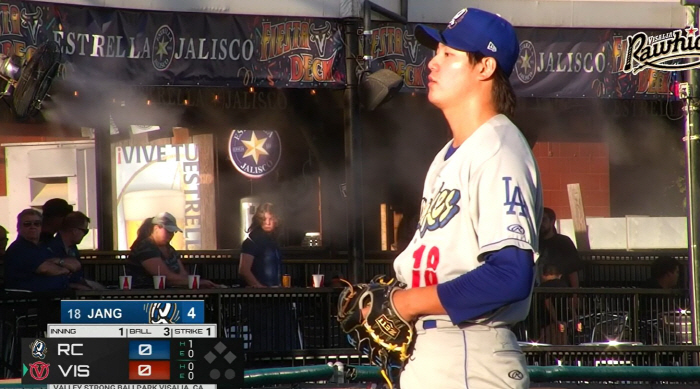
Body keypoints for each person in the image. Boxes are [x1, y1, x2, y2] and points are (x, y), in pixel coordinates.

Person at [375, 8, 543, 389]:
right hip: (439, 351)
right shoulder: (447, 155)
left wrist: (406, 303)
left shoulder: (499, 148)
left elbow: (510, 276)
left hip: (469, 350)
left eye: (449, 54)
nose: (433, 62)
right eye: (437, 51)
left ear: (484, 67)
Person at [126, 212, 218, 289]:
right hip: (145, 295)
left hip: (172, 293)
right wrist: (198, 282)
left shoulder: (170, 249)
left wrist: (199, 283)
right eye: (168, 231)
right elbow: (166, 278)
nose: (171, 235)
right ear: (156, 228)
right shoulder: (145, 247)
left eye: (173, 232)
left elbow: (183, 274)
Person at [4, 209, 82, 292]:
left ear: (41, 227)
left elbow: (75, 264)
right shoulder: (18, 249)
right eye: (27, 224)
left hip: (55, 296)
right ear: (18, 228)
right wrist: (65, 269)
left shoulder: (44, 247)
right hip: (28, 300)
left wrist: (58, 261)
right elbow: (45, 269)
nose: (32, 226)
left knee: (93, 301)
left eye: (37, 223)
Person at [45, 211, 104, 290]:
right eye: (85, 231)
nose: (85, 235)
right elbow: (51, 280)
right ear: (74, 231)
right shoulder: (50, 248)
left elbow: (78, 276)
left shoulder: (73, 248)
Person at [238, 203, 282, 288]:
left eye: (271, 219)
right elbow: (244, 270)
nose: (267, 223)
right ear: (259, 220)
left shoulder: (273, 241)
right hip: (258, 294)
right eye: (264, 219)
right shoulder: (252, 240)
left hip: (273, 290)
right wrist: (259, 287)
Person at [537, 207, 583, 287]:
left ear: (552, 222)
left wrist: (575, 294)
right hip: (537, 289)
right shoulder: (534, 243)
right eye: (538, 220)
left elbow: (572, 270)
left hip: (559, 290)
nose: (540, 224)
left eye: (544, 220)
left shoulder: (564, 242)